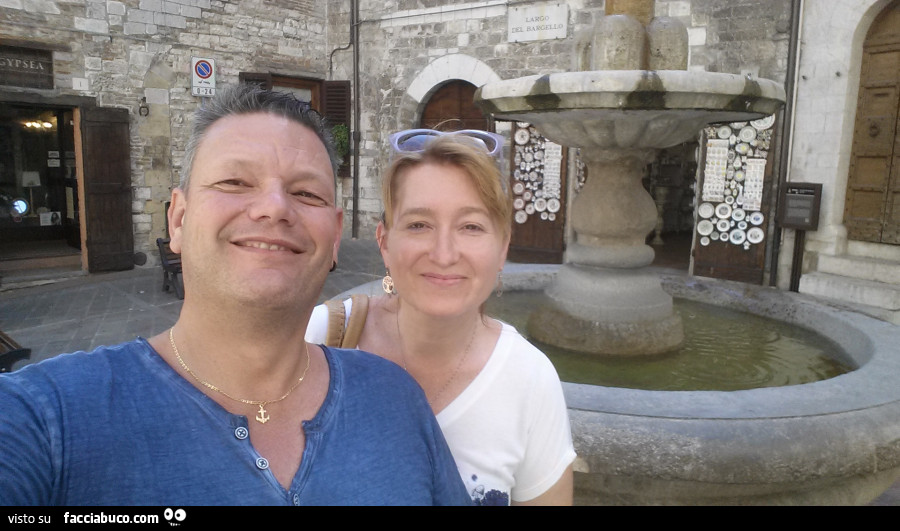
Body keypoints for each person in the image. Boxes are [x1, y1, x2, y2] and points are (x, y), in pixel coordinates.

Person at [0, 84, 470, 506]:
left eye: (306, 193)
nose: (273, 208)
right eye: (234, 183)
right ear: (179, 220)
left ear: (333, 238)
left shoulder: (395, 398)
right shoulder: (46, 419)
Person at [306, 129, 576, 505]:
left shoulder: (529, 379)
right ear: (384, 242)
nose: (444, 253)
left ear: (503, 247)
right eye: (419, 224)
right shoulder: (320, 336)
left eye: (471, 227)